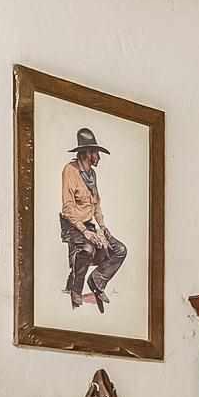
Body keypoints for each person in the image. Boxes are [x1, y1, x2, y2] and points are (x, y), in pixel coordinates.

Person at [55, 125, 128, 311]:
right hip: (73, 226)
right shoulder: (70, 170)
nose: (98, 157)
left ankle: (97, 280)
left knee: (118, 249)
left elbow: (96, 204)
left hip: (89, 225)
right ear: (88, 153)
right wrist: (85, 231)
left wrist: (102, 228)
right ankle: (76, 291)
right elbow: (68, 208)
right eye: (96, 153)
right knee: (87, 250)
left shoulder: (91, 175)